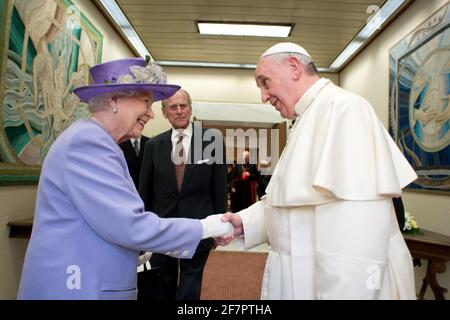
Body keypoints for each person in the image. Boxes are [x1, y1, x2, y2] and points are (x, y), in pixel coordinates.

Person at [17, 58, 232, 300]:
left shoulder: (99, 141)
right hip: (77, 287)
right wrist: (209, 227)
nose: (151, 113)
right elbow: (130, 225)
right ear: (114, 100)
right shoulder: (88, 143)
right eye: (146, 102)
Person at [217, 42, 418, 300]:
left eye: (265, 82)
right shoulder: (305, 117)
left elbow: (357, 244)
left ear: (293, 67)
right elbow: (293, 208)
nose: (263, 97)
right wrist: (244, 223)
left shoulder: (344, 109)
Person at [139, 88, 227, 300]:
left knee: (190, 286)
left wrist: (219, 226)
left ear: (190, 108)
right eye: (173, 107)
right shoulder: (152, 146)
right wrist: (142, 229)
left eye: (183, 106)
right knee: (162, 282)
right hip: (162, 228)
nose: (179, 111)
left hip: (198, 227)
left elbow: (219, 187)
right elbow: (145, 191)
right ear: (165, 113)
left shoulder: (211, 141)